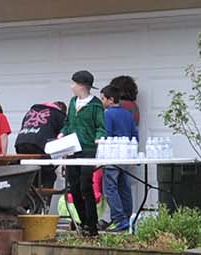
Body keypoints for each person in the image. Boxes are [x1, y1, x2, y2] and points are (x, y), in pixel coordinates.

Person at [60, 69, 105, 237]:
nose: (71, 86)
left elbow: (101, 125)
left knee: (87, 186)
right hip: (72, 149)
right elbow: (67, 122)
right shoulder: (72, 102)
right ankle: (83, 220)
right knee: (74, 187)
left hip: (87, 150)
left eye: (73, 83)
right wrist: (63, 133)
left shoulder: (95, 105)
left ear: (82, 86)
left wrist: (99, 138)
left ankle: (92, 224)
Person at [100, 75, 141, 231]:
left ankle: (119, 218)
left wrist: (101, 153)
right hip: (126, 155)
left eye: (103, 99)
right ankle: (128, 216)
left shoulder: (108, 114)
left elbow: (107, 134)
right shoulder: (128, 113)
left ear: (111, 100)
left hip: (112, 155)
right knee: (124, 187)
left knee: (110, 187)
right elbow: (134, 134)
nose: (102, 102)